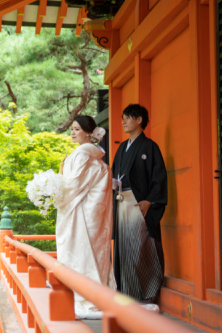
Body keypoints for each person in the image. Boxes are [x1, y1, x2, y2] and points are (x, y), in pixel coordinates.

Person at [52, 115, 116, 319]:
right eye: (72, 128)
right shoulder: (94, 155)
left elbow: (72, 186)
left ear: (89, 132)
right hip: (92, 213)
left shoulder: (82, 154)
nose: (72, 132)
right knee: (95, 253)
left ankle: (84, 296)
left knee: (82, 251)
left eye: (77, 129)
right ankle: (96, 294)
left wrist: (53, 186)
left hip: (82, 214)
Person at [111, 104, 167, 304]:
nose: (123, 121)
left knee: (140, 247)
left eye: (127, 117)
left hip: (138, 204)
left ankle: (146, 293)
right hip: (121, 202)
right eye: (123, 118)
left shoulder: (149, 146)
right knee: (123, 250)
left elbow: (159, 177)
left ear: (139, 120)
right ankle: (126, 293)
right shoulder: (122, 148)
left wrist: (149, 201)